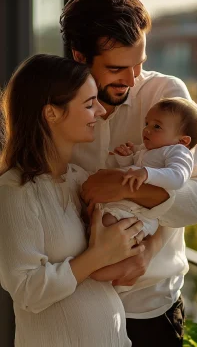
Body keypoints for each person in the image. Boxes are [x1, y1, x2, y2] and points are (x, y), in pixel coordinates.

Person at [60, 0, 197, 346]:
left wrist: (122, 186)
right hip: (73, 310)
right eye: (118, 68)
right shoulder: (54, 107)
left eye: (139, 65)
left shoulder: (166, 96)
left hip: (151, 312)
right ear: (79, 56)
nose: (132, 80)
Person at [0, 54, 147, 346]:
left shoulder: (81, 181)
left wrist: (137, 248)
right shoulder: (13, 191)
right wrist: (98, 256)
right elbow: (27, 290)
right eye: (89, 104)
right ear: (52, 113)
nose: (102, 112)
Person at [95, 97, 197, 288]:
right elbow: (132, 173)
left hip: (141, 215)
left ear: (183, 140)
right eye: (147, 123)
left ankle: (101, 271)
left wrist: (147, 173)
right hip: (127, 207)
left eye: (157, 127)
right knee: (100, 226)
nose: (147, 129)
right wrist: (126, 158)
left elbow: (177, 177)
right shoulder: (146, 150)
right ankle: (103, 267)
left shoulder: (178, 152)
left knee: (108, 228)